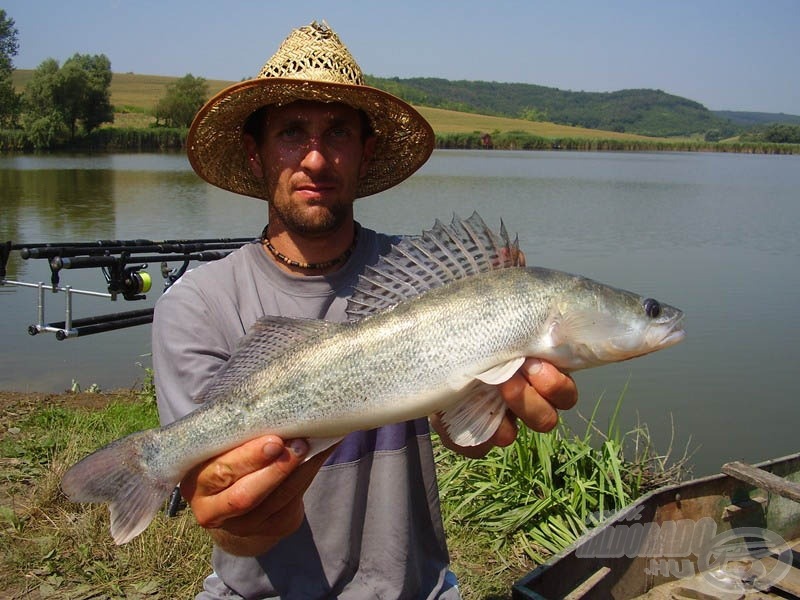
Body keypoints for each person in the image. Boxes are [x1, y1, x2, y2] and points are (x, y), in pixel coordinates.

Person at [152, 21, 578, 599]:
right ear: (255, 154)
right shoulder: (196, 305)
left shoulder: (430, 278)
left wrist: (477, 417)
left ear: (366, 150)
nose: (316, 159)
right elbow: (221, 507)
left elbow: (465, 424)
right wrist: (241, 523)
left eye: (338, 133)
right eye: (291, 132)